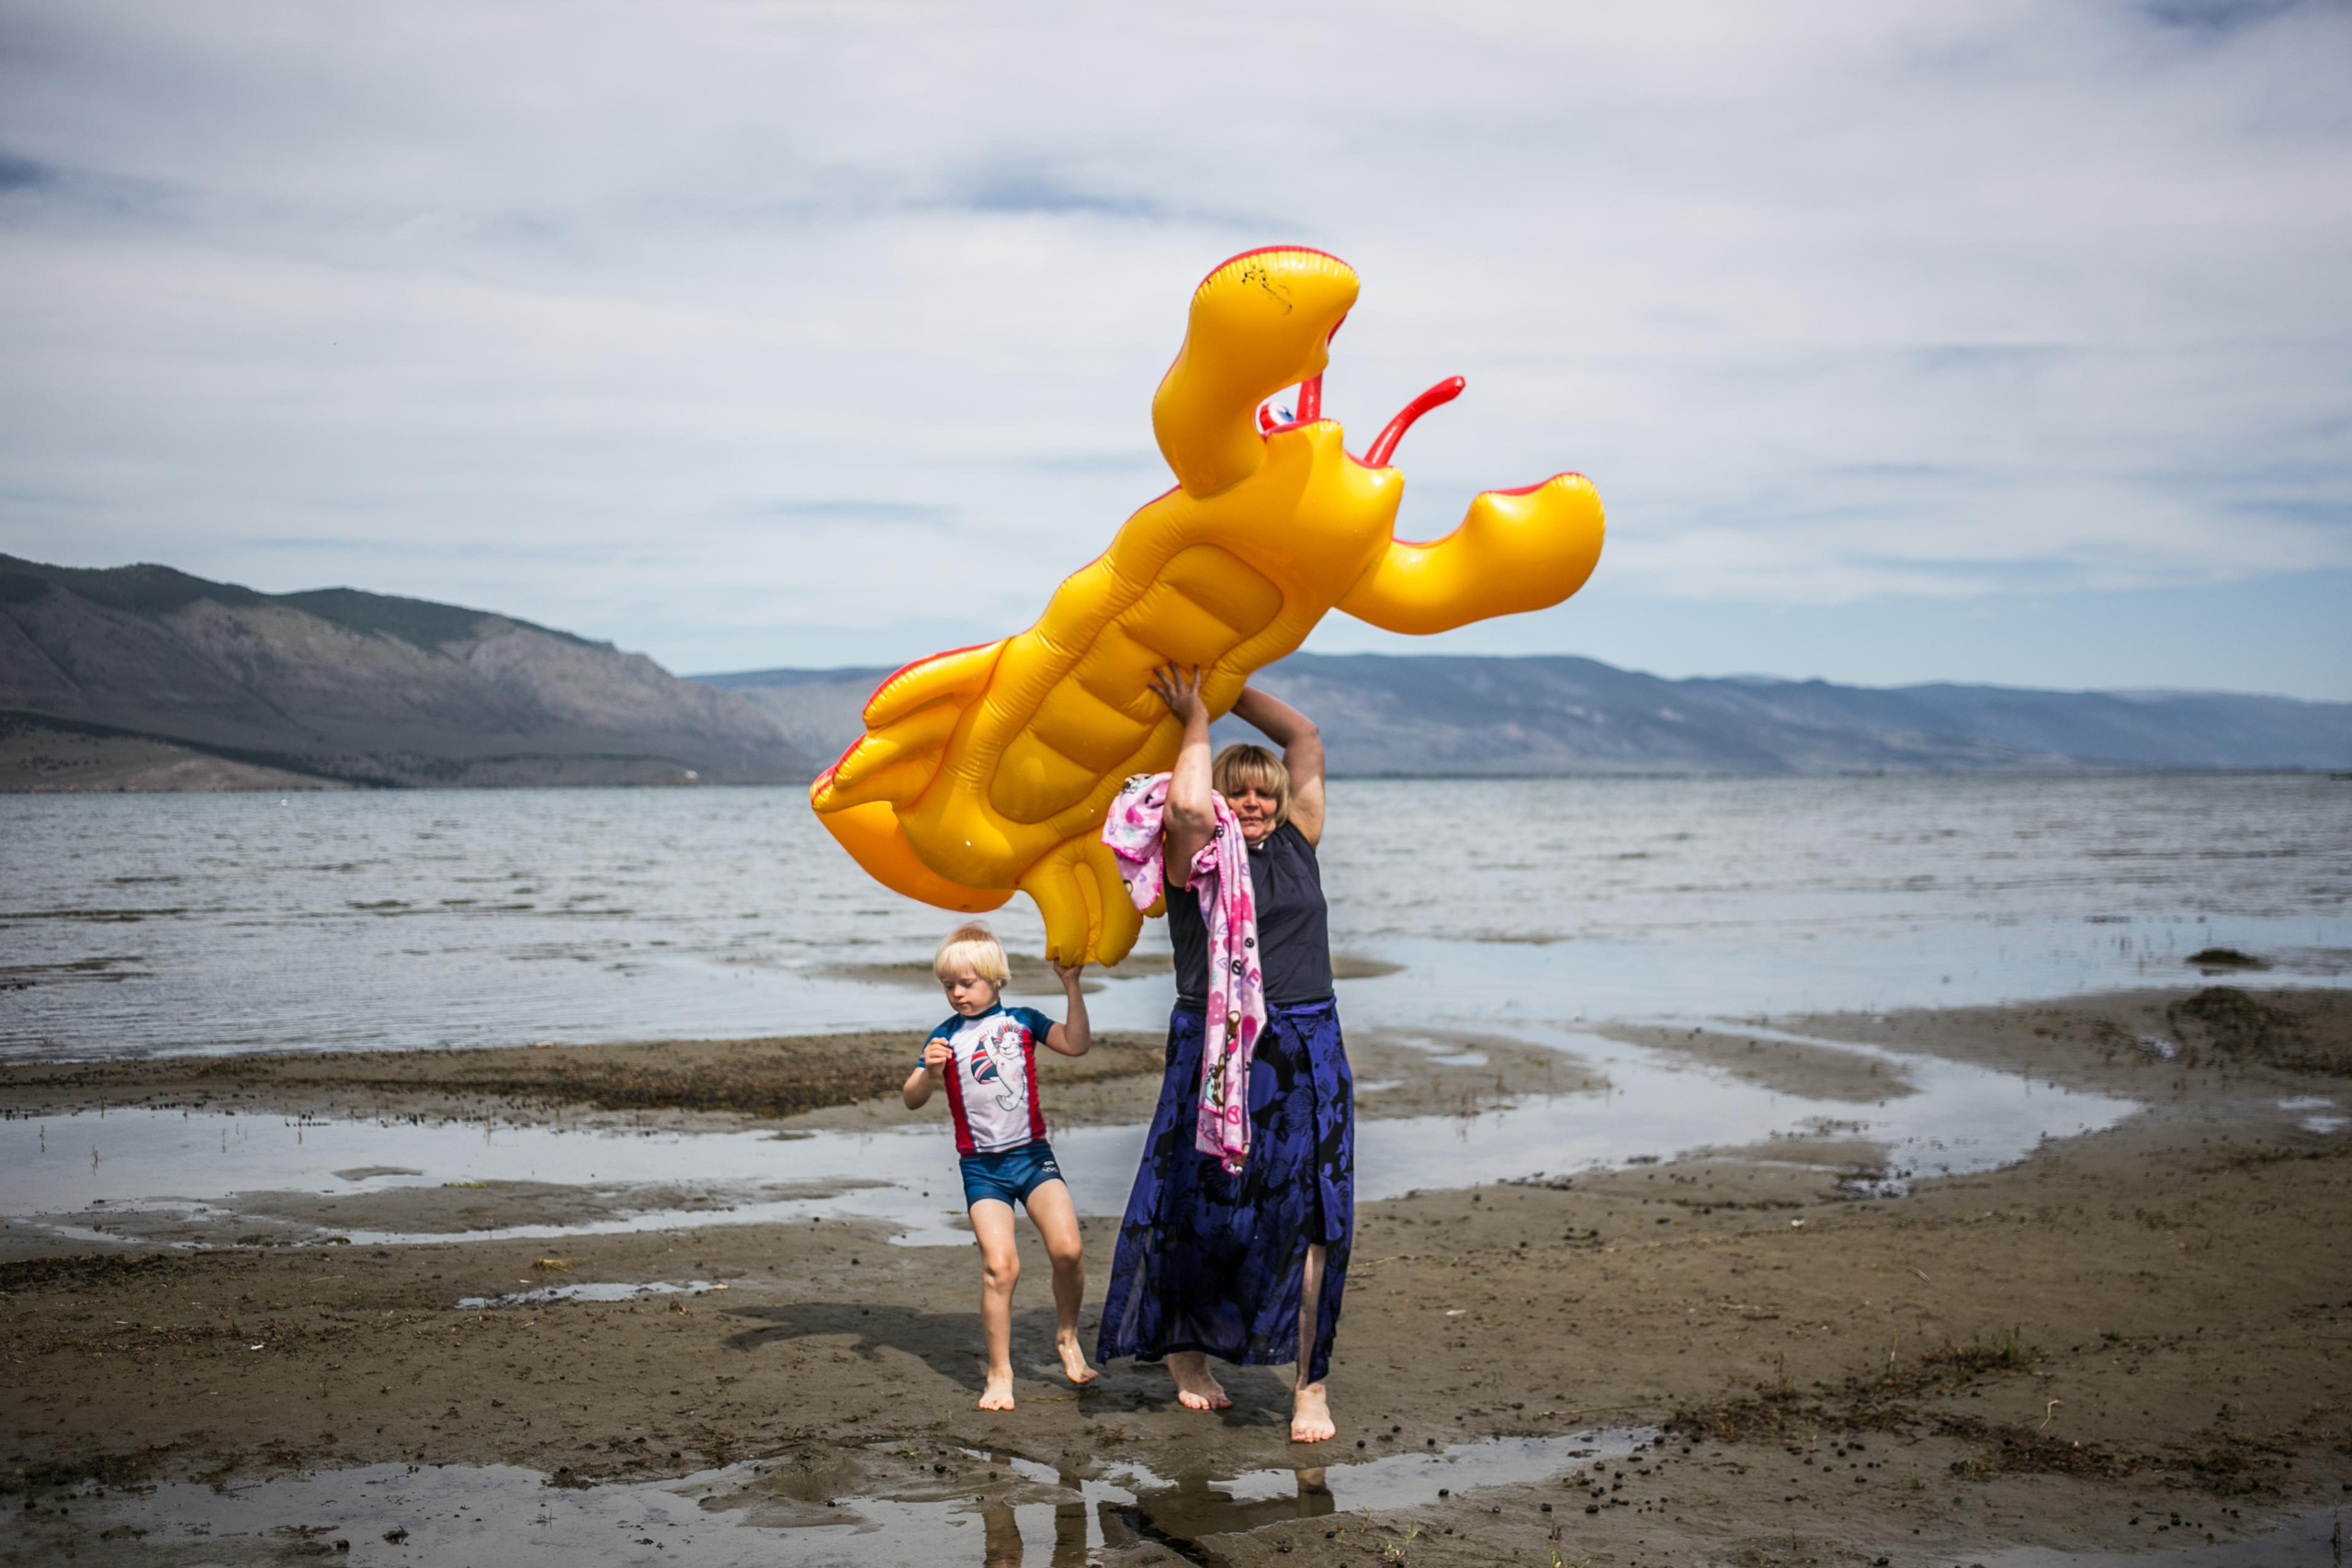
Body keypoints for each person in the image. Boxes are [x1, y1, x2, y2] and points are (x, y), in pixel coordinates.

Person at [1096, 666, 1351, 1443]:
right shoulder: (1196, 858)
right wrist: (1196, 715)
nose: (1253, 803)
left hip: (1308, 1044)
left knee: (1318, 1215)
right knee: (1206, 1204)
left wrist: (1231, 677)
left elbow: (1304, 735)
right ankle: (1186, 1351)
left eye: (1263, 791)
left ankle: (1310, 1383)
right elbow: (1182, 806)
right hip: (1217, 1047)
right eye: (1236, 791)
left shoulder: (1300, 840)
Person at [901, 920, 1100, 1409]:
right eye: (948, 985)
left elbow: (1076, 1044)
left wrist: (1071, 986)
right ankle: (999, 1372)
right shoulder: (944, 1038)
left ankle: (1067, 1336)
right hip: (982, 1170)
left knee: (1069, 1251)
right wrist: (929, 1072)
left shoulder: (1023, 1022)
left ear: (995, 979)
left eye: (966, 983)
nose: (957, 993)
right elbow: (911, 1098)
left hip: (1033, 1158)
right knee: (999, 1267)